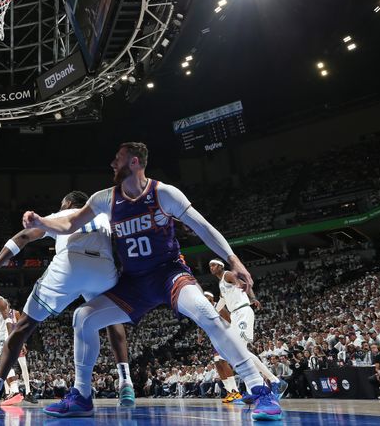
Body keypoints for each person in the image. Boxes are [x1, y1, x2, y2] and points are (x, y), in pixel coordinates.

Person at [22, 142, 281, 421]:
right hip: (134, 282)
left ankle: (259, 388)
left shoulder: (164, 193)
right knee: (83, 317)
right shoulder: (103, 199)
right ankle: (82, 396)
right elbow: (70, 224)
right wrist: (42, 222)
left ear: (135, 162)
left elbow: (203, 227)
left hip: (169, 274)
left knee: (208, 314)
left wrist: (234, 260)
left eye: (117, 159)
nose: (112, 164)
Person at [0, 191, 134, 420]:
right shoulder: (103, 215)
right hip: (103, 268)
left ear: (68, 203)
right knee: (111, 320)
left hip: (69, 265)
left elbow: (24, 237)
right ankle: (126, 382)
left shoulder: (62, 214)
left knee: (23, 327)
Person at [209, 259, 285, 400]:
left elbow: (244, 284)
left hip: (243, 311)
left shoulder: (228, 275)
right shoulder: (221, 284)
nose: (211, 267)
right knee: (240, 353)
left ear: (220, 266)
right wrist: (211, 313)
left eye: (213, 265)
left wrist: (253, 298)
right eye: (210, 266)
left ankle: (271, 383)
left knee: (241, 351)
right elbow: (222, 301)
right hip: (235, 315)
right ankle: (270, 383)